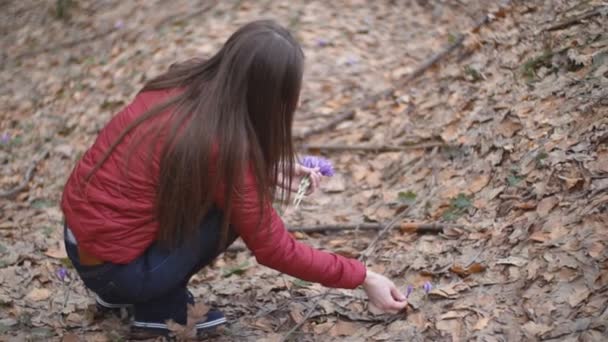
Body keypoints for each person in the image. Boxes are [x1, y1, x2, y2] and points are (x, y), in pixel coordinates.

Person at [61, 19, 407, 339]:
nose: (297, 101)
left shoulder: (182, 83)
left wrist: (267, 170)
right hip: (117, 270)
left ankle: (122, 293)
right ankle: (157, 309)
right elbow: (275, 249)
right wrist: (364, 277)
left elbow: (172, 169)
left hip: (82, 245)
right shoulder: (225, 147)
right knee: (229, 215)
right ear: (269, 97)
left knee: (225, 202)